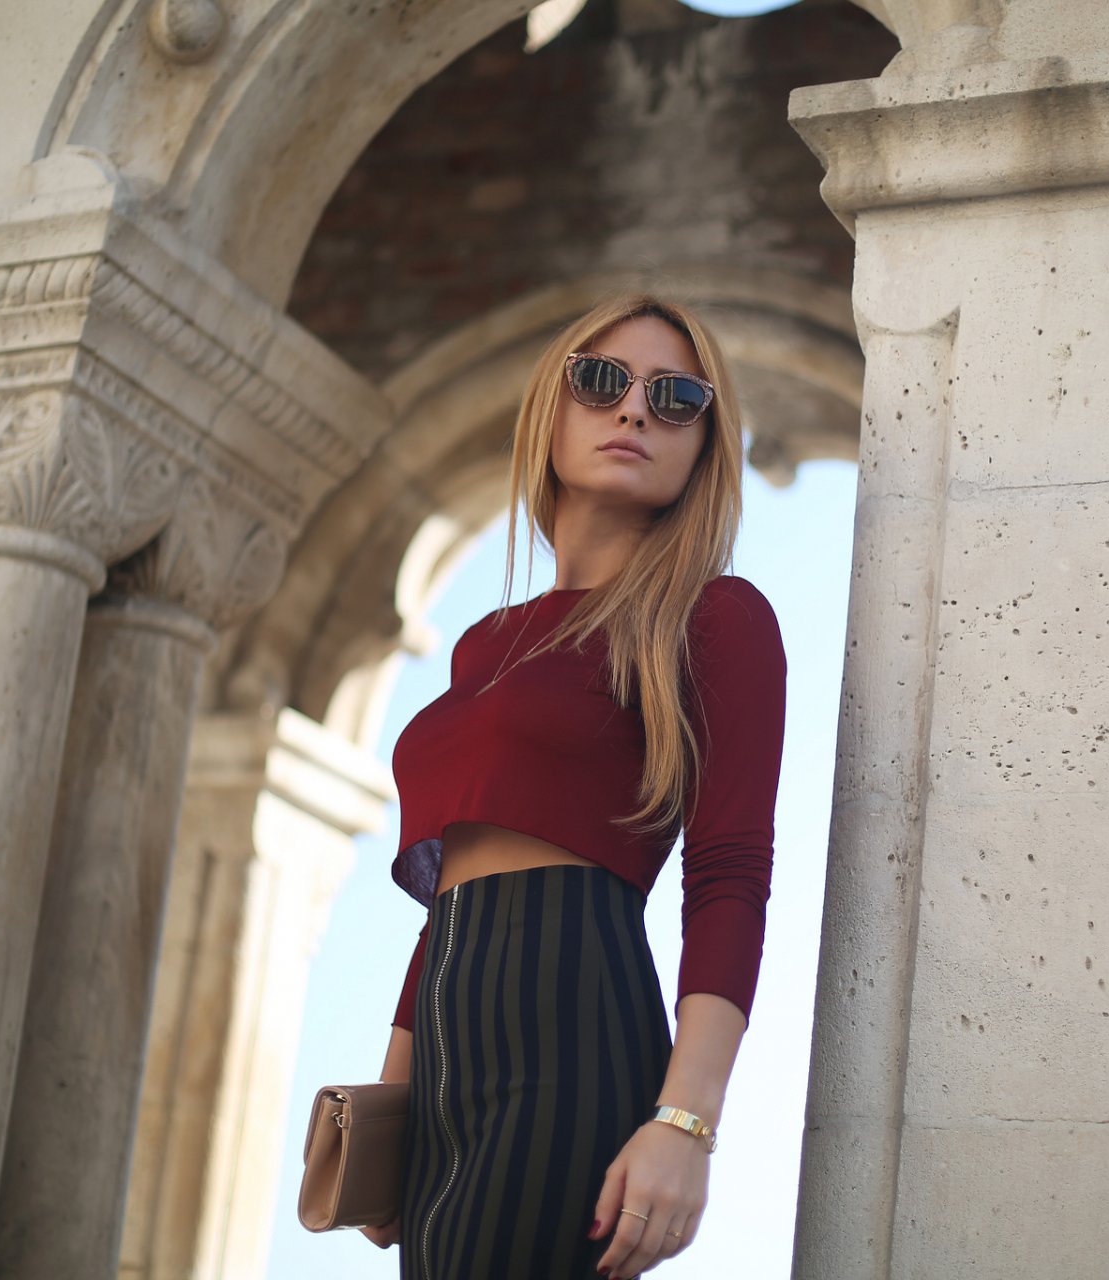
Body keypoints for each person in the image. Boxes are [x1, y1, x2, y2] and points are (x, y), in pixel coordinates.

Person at [361, 295, 786, 1279]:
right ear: (549, 412)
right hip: (448, 1056)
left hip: (574, 1029)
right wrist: (392, 1098)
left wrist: (685, 1123)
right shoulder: (486, 640)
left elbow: (729, 875)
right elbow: (447, 896)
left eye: (675, 398)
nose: (634, 411)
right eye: (602, 381)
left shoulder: (717, 617)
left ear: (701, 445)